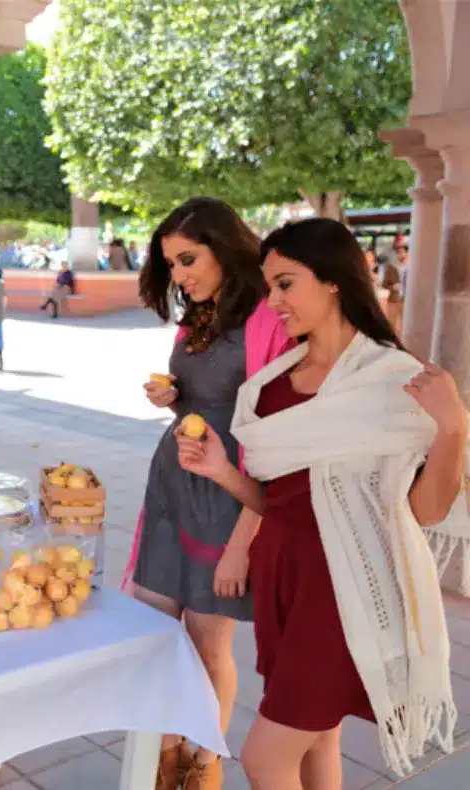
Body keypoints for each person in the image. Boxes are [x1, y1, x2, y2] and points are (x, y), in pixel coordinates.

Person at [176, 218, 462, 790]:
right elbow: (275, 499)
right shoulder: (272, 384)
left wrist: (454, 429)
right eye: (269, 286)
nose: (273, 301)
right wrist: (222, 472)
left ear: (333, 280)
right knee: (317, 741)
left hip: (344, 586)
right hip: (283, 576)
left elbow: (427, 513)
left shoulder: (393, 381)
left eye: (286, 283)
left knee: (265, 758)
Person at [126, 197, 292, 790]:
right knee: (155, 629)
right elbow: (202, 396)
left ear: (225, 248)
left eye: (188, 259)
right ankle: (161, 757)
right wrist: (173, 400)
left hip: (228, 500)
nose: (180, 275)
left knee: (205, 640)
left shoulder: (268, 322)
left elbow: (276, 442)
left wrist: (244, 542)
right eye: (170, 264)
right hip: (173, 485)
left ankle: (201, 762)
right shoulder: (194, 318)